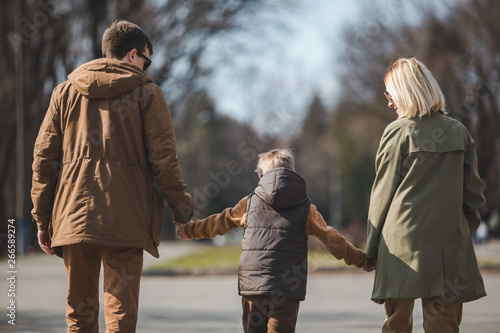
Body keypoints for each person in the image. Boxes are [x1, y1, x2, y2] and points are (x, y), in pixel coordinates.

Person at [31, 20, 193, 332]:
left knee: (79, 315)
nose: (147, 68)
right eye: (147, 60)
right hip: (125, 220)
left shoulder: (64, 93)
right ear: (133, 54)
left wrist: (42, 218)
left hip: (72, 218)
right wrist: (182, 210)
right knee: (120, 316)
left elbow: (43, 160)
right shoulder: (147, 94)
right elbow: (164, 161)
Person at [174, 148, 376, 333]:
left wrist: (190, 230)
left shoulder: (250, 202)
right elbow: (333, 240)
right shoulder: (306, 208)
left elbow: (221, 221)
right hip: (286, 290)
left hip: (253, 287)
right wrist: (363, 260)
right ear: (292, 174)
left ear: (261, 176)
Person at [366, 57, 486, 333]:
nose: (388, 102)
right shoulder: (460, 132)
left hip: (400, 248)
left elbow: (382, 195)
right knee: (443, 326)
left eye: (390, 94)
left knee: (397, 326)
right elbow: (474, 198)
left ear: (406, 92)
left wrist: (371, 249)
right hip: (449, 250)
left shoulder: (397, 132)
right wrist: (459, 234)